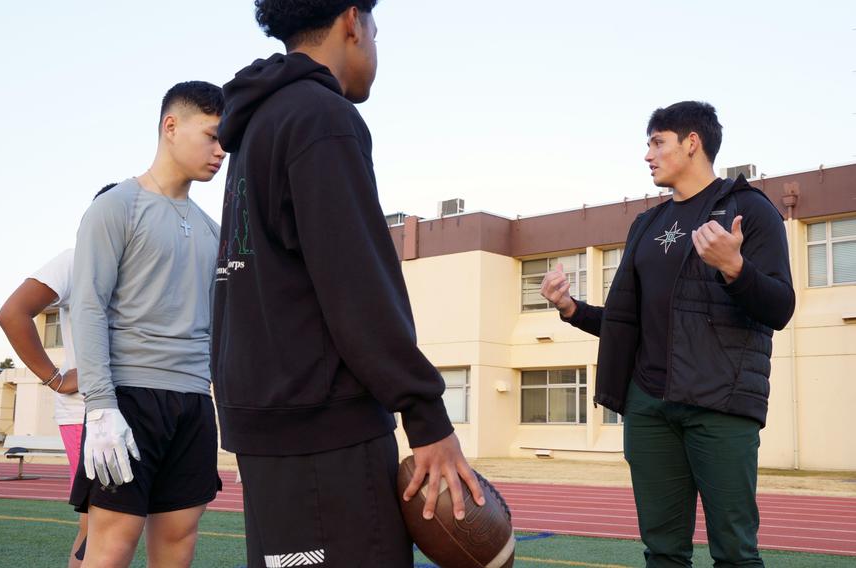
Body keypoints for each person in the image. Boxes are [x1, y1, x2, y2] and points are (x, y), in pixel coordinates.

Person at [212, 1, 484, 566]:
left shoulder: (257, 123)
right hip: (325, 432)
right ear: (353, 22)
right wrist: (426, 414)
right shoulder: (320, 116)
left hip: (268, 426)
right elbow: (357, 285)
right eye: (377, 30)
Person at [541, 101, 795, 567]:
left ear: (692, 143)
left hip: (720, 404)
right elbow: (625, 323)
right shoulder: (647, 224)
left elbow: (780, 307)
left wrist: (735, 268)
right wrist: (569, 307)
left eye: (658, 142)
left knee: (736, 551)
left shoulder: (749, 210)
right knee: (662, 552)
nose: (648, 155)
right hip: (650, 407)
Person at [69, 81, 225, 568]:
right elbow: (89, 305)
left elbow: (217, 326)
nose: (221, 152)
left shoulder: (211, 229)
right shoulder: (117, 206)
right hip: (131, 398)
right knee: (113, 544)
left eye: (227, 142)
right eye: (213, 136)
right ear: (171, 126)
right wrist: (100, 406)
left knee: (180, 538)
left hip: (195, 401)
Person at [0, 183, 113, 567]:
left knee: (131, 521)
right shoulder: (75, 259)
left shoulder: (146, 268)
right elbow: (12, 314)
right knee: (97, 524)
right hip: (85, 411)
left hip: (137, 406)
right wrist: (55, 378)